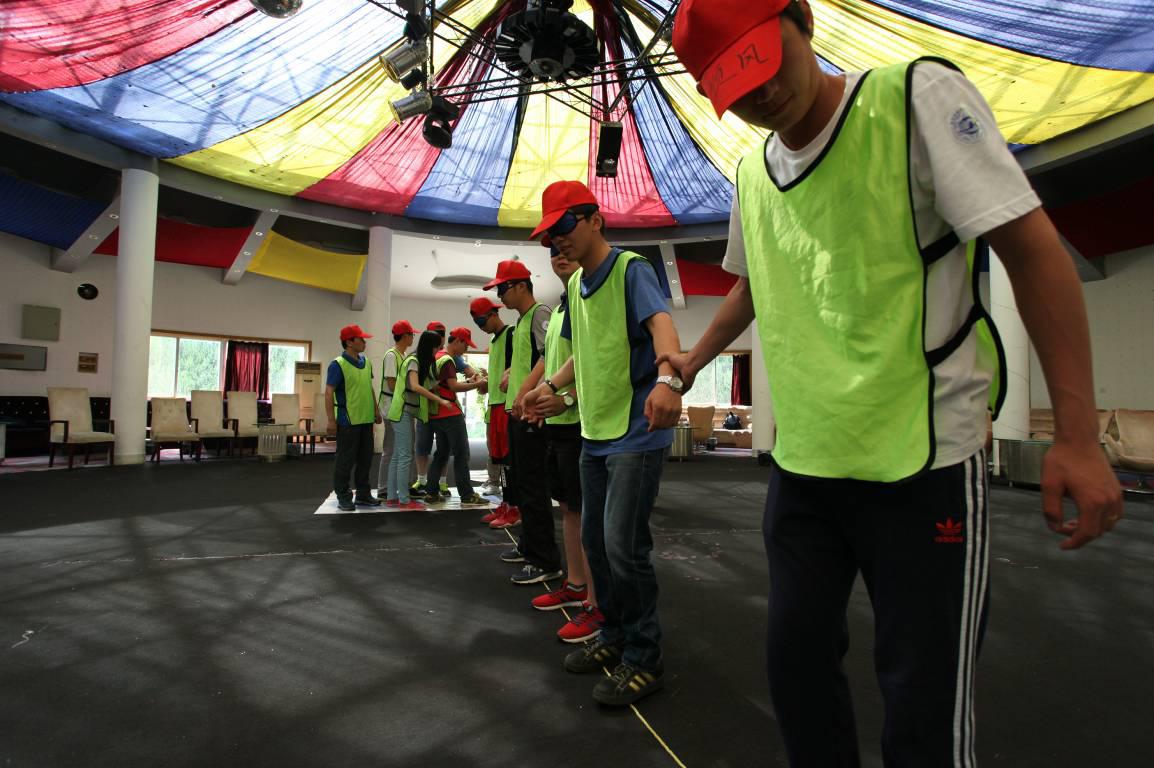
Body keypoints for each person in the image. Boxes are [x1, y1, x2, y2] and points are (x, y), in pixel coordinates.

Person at [668, 0, 1124, 763]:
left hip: (923, 464)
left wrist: (1077, 435)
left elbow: (1031, 250)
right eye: (736, 87)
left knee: (923, 706)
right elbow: (753, 284)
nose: (762, 93)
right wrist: (692, 358)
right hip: (805, 468)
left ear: (803, 20)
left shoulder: (913, 99)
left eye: (765, 62)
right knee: (796, 673)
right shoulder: (750, 174)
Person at [523, 180, 684, 707]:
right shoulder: (574, 286)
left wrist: (669, 380)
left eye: (565, 226)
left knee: (623, 546)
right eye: (550, 235)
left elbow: (662, 325)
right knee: (594, 541)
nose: (558, 240)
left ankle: (644, 656)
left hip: (636, 432)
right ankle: (613, 634)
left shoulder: (630, 269)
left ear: (596, 220)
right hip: (594, 431)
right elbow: (585, 352)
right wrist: (552, 386)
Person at [517, 243, 601, 644]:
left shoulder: (590, 296)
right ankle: (577, 584)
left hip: (587, 424)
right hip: (560, 423)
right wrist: (541, 395)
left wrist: (567, 398)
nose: (560, 255)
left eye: (567, 244)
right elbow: (560, 363)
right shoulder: (562, 306)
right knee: (569, 509)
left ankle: (597, 604)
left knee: (592, 518)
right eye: (553, 249)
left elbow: (603, 359)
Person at [485, 258, 561, 584]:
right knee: (521, 486)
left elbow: (548, 357)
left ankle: (545, 561)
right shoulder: (522, 321)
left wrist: (527, 388)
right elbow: (530, 359)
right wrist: (511, 375)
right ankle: (530, 546)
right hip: (517, 413)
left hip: (532, 415)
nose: (500, 296)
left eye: (503, 288)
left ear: (520, 286)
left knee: (534, 488)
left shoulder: (541, 313)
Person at [383, 323, 449, 510]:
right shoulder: (413, 360)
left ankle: (392, 497)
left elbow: (428, 384)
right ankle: (404, 500)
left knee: (398, 455)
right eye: (436, 347)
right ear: (430, 346)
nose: (437, 350)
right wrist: (440, 400)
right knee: (404, 456)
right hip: (401, 411)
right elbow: (415, 386)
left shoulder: (416, 360)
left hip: (401, 411)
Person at [421, 327, 486, 505]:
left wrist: (468, 381)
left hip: (436, 413)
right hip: (450, 413)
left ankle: (431, 492)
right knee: (461, 454)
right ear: (457, 341)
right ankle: (467, 494)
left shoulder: (437, 356)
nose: (467, 349)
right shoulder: (448, 360)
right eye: (466, 345)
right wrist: (478, 384)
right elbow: (453, 387)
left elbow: (444, 385)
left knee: (441, 453)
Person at [470, 296, 518, 526]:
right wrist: (486, 384)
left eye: (482, 322)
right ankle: (507, 504)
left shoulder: (511, 334)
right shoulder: (494, 341)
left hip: (508, 405)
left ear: (493, 314)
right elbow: (500, 374)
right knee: (499, 459)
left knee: (510, 460)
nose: (481, 327)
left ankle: (515, 508)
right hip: (495, 405)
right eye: (477, 324)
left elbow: (519, 367)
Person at [325, 324, 383, 512]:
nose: (365, 342)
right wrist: (331, 420)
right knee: (345, 460)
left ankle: (363, 494)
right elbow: (329, 392)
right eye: (361, 339)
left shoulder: (366, 362)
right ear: (349, 342)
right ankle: (343, 496)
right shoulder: (337, 365)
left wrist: (376, 410)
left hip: (366, 419)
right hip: (347, 421)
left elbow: (369, 387)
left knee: (365, 459)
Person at [377, 320, 416, 494]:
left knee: (402, 449)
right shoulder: (392, 355)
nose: (413, 338)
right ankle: (384, 488)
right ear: (405, 336)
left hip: (400, 406)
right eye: (412, 334)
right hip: (392, 406)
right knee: (391, 448)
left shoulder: (403, 355)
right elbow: (392, 383)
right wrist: (411, 391)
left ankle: (400, 486)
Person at [412, 321, 449, 497]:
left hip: (440, 410)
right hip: (423, 410)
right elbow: (416, 386)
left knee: (443, 448)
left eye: (441, 334)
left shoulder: (446, 356)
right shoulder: (416, 358)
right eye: (435, 334)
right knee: (421, 447)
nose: (439, 338)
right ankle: (422, 480)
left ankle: (442, 482)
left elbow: (466, 369)